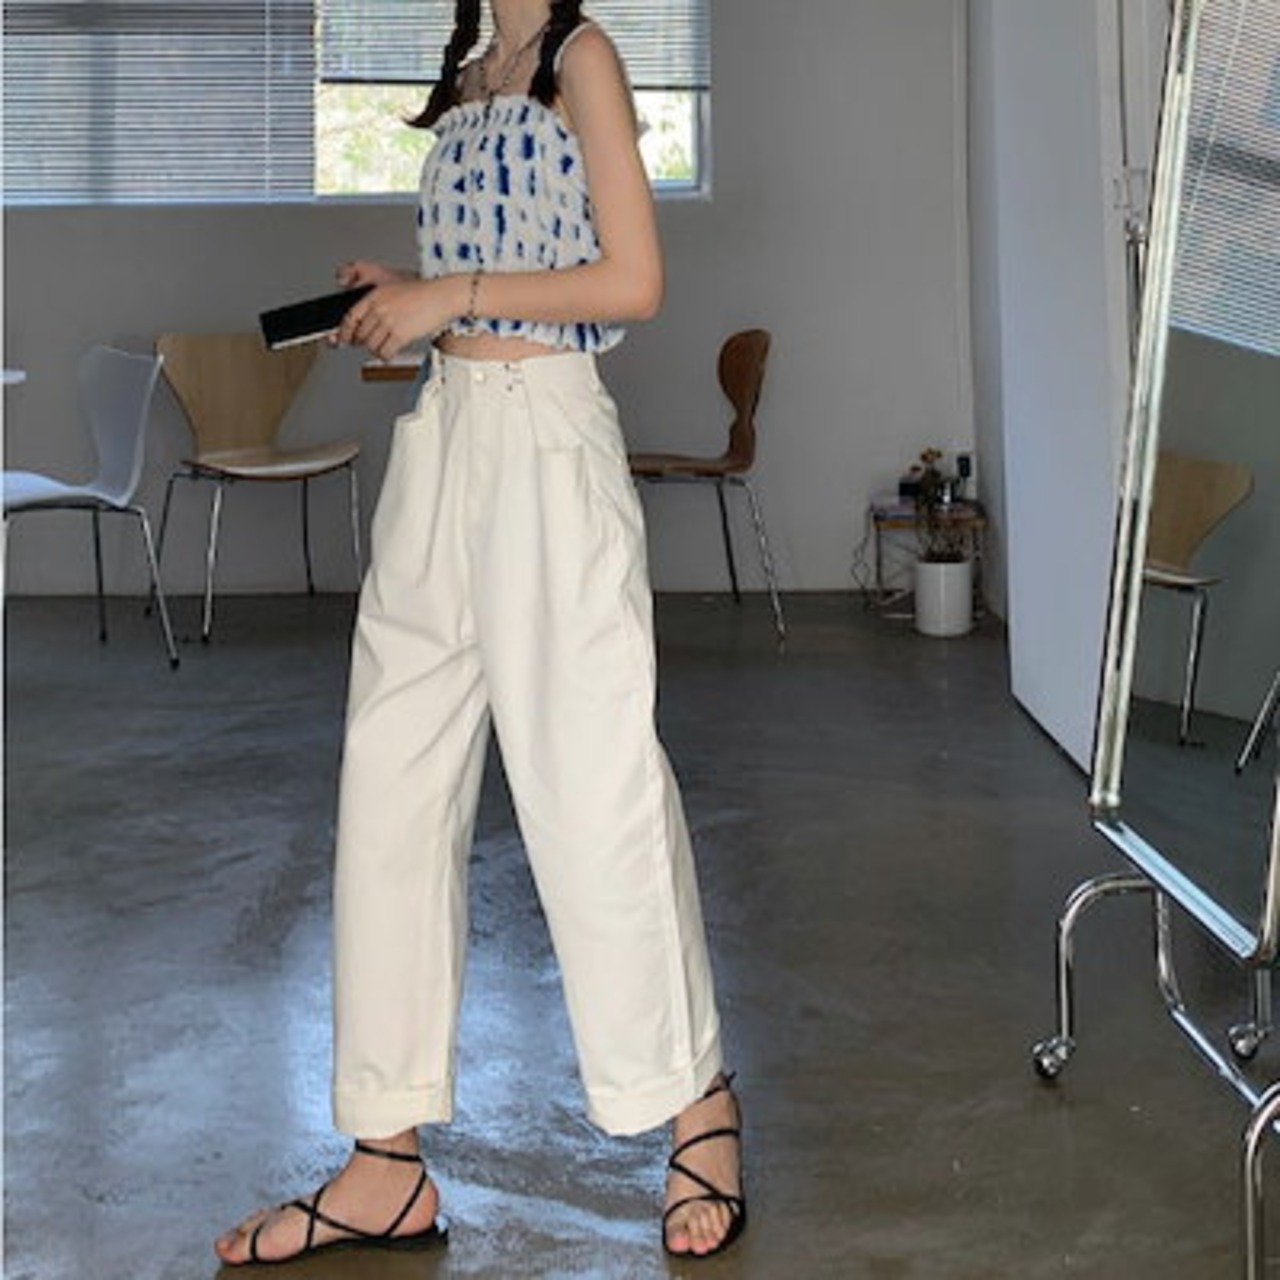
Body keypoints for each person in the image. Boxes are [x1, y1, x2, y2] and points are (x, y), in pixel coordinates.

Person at [215, 0, 745, 1265]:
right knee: (388, 788)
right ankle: (383, 1157)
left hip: (545, 440)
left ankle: (696, 1102)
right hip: (444, 432)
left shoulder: (581, 59)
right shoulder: (469, 72)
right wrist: (406, 302)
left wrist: (445, 292)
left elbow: (632, 281)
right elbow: (498, 270)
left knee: (591, 786)